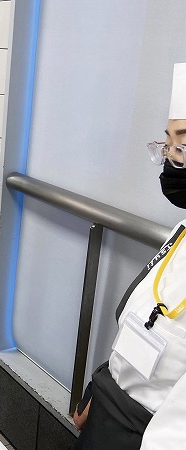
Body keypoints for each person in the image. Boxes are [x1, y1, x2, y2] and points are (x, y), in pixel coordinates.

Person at [73, 63, 186, 450]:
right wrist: (103, 386)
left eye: (182, 146)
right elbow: (144, 322)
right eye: (168, 145)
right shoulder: (181, 231)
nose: (171, 160)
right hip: (111, 413)